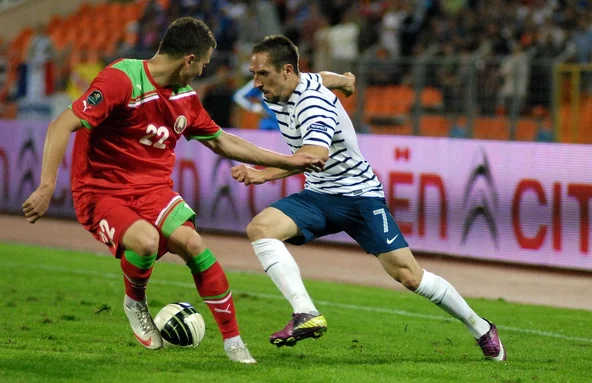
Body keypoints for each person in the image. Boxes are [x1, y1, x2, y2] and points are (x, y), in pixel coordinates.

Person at [21, 18, 330, 364]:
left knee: (195, 245)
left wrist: (289, 162)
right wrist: (47, 186)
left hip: (153, 190)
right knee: (145, 242)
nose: (203, 70)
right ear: (189, 59)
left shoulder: (185, 100)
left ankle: (234, 343)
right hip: (101, 191)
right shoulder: (121, 79)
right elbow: (62, 123)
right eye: (204, 63)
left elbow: (223, 141)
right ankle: (135, 301)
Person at [231, 35, 507, 362]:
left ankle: (481, 328)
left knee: (409, 276)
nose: (257, 82)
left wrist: (263, 172)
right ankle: (304, 312)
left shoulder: (313, 105)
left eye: (263, 74)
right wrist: (345, 82)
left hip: (359, 197)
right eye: (254, 73)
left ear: (286, 70)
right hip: (319, 195)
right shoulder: (285, 87)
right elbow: (321, 78)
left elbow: (314, 155)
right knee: (261, 228)